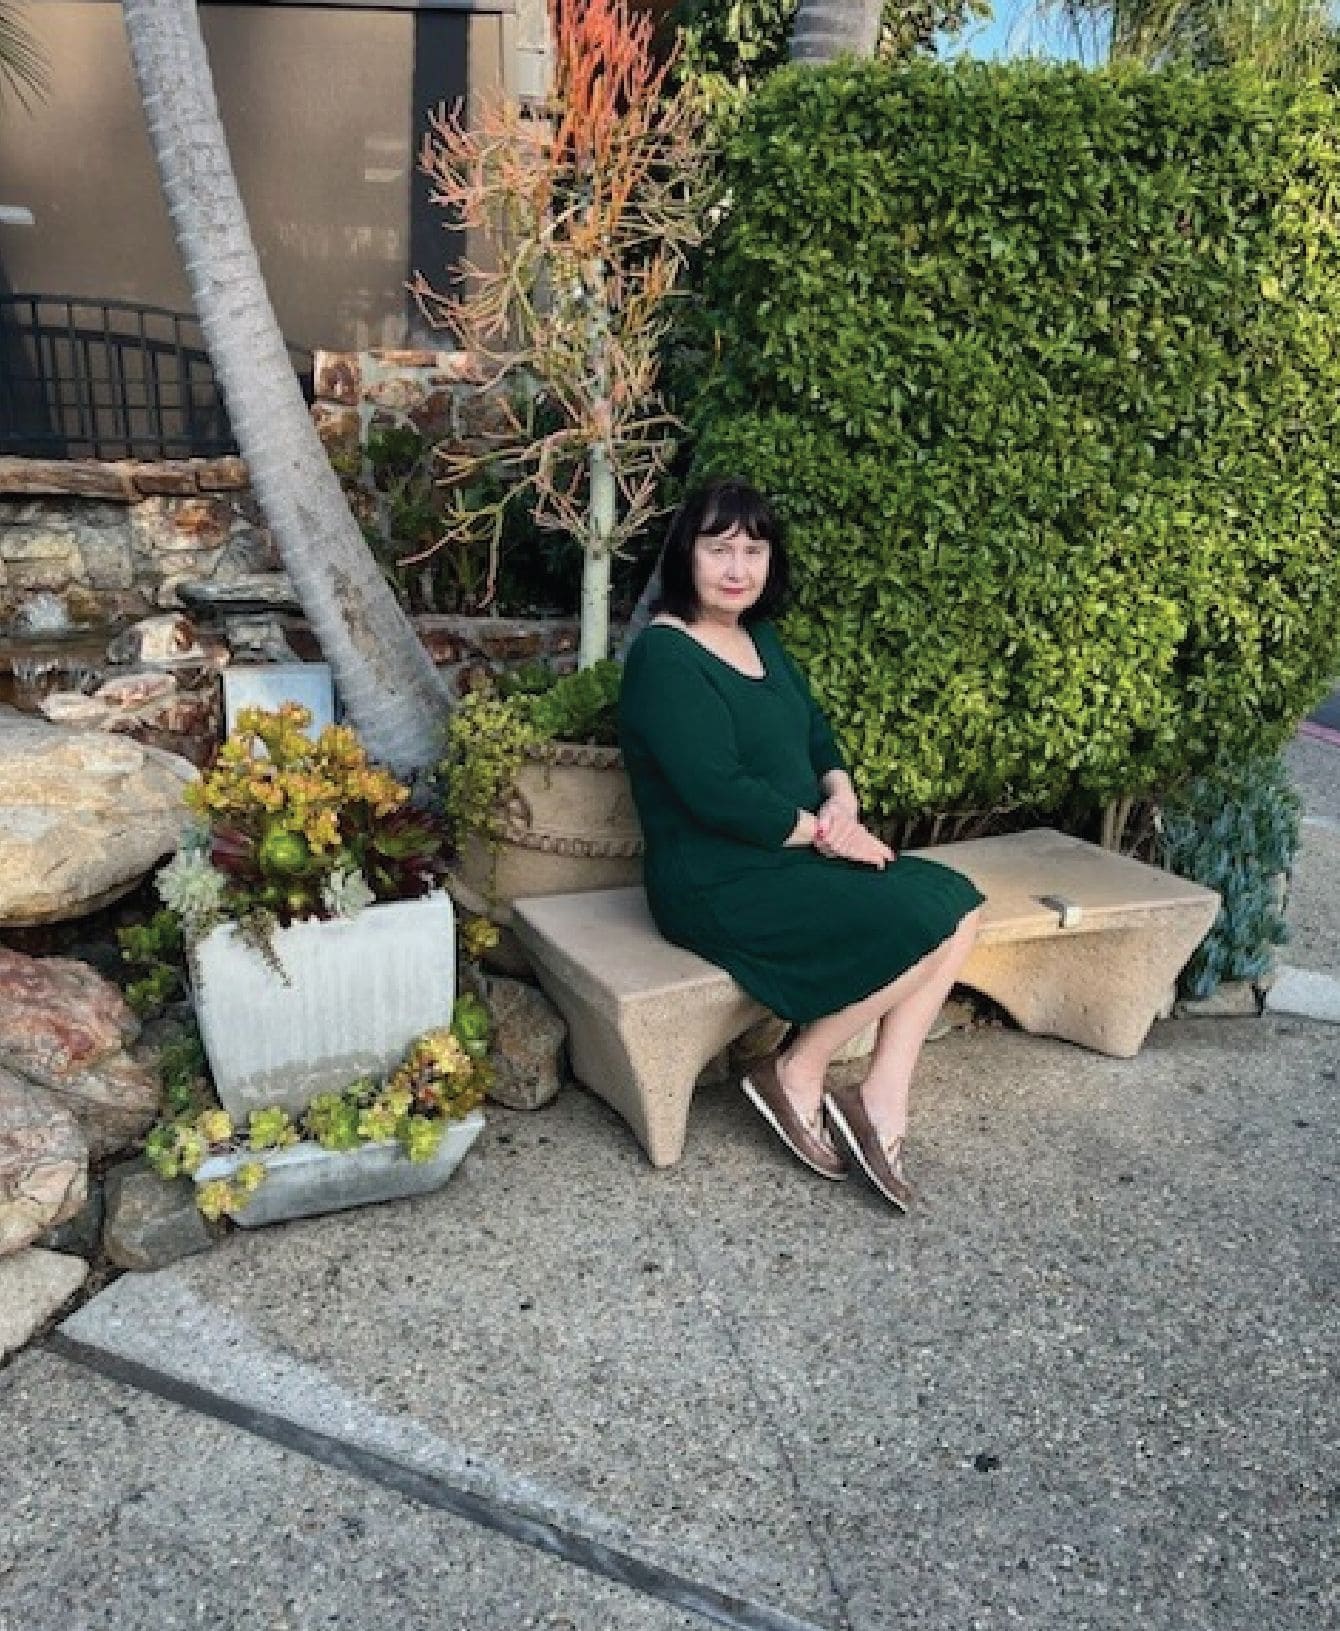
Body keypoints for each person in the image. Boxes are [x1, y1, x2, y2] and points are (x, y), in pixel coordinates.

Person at [618, 477, 985, 1211]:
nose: (737, 568)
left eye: (753, 551)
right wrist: (825, 834)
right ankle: (796, 1070)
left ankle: (881, 1100)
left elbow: (817, 736)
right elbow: (716, 791)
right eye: (719, 549)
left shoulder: (759, 639)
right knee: (920, 922)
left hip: (792, 854)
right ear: (684, 554)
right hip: (716, 877)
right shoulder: (665, 656)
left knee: (961, 905)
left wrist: (841, 800)